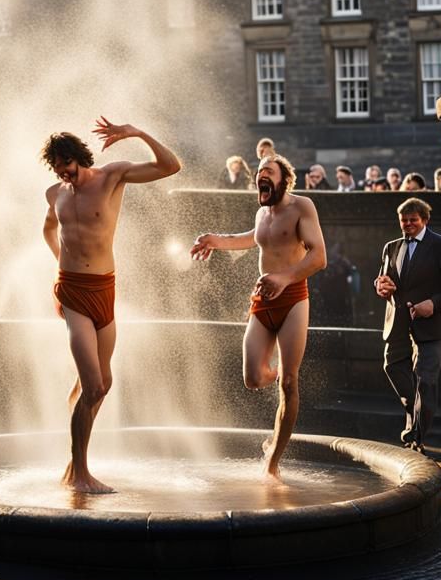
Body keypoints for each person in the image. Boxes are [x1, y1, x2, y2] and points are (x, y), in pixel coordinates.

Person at [42, 117, 182, 493]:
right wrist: (60, 268)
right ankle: (79, 473)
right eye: (58, 170)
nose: (65, 176)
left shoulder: (111, 177)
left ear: (79, 158)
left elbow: (171, 167)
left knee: (103, 383)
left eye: (67, 167)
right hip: (72, 292)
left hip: (105, 289)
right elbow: (48, 229)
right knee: (93, 387)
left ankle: (75, 451)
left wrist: (137, 133)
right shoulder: (54, 193)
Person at [190, 154, 327, 482]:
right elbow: (251, 237)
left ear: (284, 180)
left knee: (290, 383)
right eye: (259, 172)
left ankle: (273, 460)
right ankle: (280, 371)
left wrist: (285, 278)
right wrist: (215, 240)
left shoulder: (302, 207)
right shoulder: (263, 212)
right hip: (263, 301)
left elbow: (319, 256)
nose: (261, 175)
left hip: (293, 298)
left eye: (269, 171)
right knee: (253, 378)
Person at [373, 197, 441, 454]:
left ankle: (416, 437)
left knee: (425, 382)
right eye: (403, 221)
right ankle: (414, 415)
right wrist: (381, 286)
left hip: (432, 323)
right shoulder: (390, 247)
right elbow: (384, 278)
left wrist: (434, 303)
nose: (407, 225)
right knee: (393, 367)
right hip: (397, 323)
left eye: (413, 220)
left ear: (425, 220)